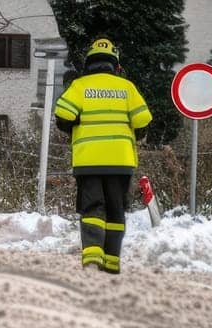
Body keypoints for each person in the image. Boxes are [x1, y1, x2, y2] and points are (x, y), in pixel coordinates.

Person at [54, 37, 152, 274]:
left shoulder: (80, 86)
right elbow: (143, 121)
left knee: (92, 208)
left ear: (88, 63)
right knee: (116, 210)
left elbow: (63, 117)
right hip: (121, 162)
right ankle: (111, 263)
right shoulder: (126, 88)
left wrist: (78, 124)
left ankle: (91, 258)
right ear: (116, 65)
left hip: (89, 161)